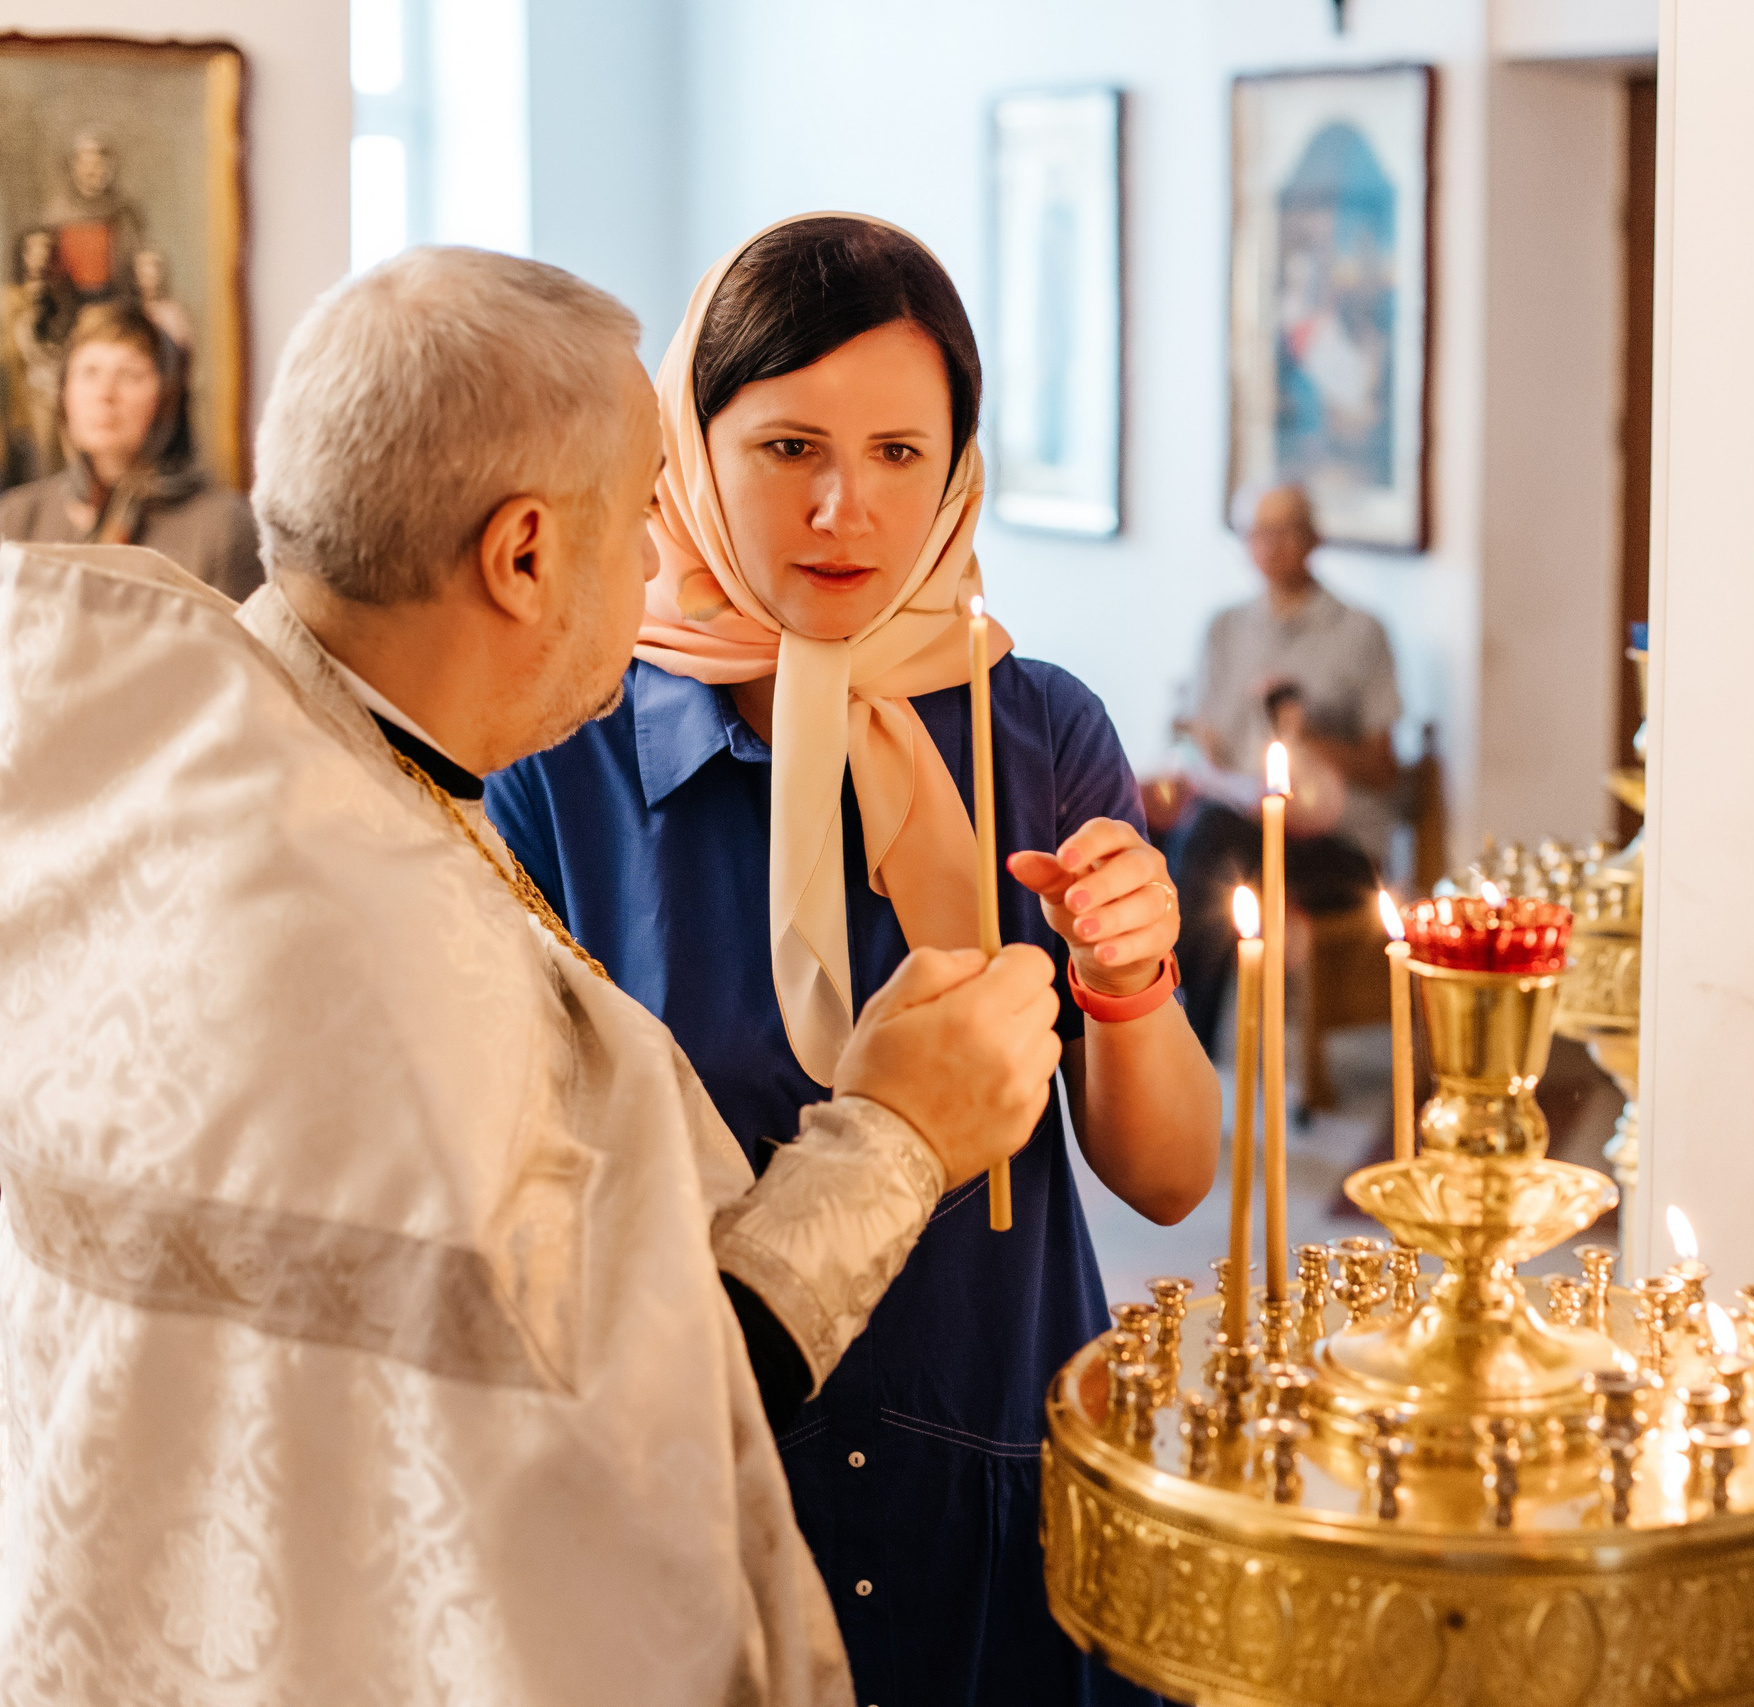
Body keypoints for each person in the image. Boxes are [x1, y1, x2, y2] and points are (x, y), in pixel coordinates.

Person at [0, 245, 1064, 1704]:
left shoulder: (166, 761)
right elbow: (589, 1462)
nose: (659, 564)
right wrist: (897, 1135)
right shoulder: (387, 954)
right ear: (523, 556)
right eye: (642, 513)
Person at [485, 213, 1218, 1707]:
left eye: (899, 453)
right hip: (710, 1477)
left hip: (999, 1468)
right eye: (788, 449)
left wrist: (1129, 980)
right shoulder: (559, 751)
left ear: (957, 469)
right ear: (687, 453)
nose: (844, 508)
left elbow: (1166, 1180)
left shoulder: (1038, 730)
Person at [1167, 481, 1401, 1052]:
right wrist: (1198, 753)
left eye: (1282, 532)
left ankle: (1184, 1035)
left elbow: (1383, 768)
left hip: (1334, 841)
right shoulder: (1225, 628)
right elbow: (1210, 746)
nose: (1268, 546)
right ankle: (1165, 1025)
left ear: (1313, 539)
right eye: (1256, 533)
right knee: (1166, 829)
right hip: (1241, 818)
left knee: (1212, 843)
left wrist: (1307, 734)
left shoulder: (1359, 632)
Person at [0, 299, 262, 599]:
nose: (105, 394)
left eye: (129, 375)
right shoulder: (17, 518)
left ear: (167, 399)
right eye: (89, 372)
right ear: (63, 394)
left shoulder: (223, 527)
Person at [45, 127, 146, 303]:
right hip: (69, 300)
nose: (95, 171)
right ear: (75, 167)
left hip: (115, 299)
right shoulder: (57, 212)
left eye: (100, 164)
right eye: (88, 165)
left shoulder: (124, 210)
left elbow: (135, 259)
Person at [3, 227, 69, 480]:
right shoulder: (10, 298)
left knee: (51, 461)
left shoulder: (61, 296)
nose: (40, 254)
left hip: (52, 388)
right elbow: (10, 351)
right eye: (33, 248)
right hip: (21, 392)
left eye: (45, 248)